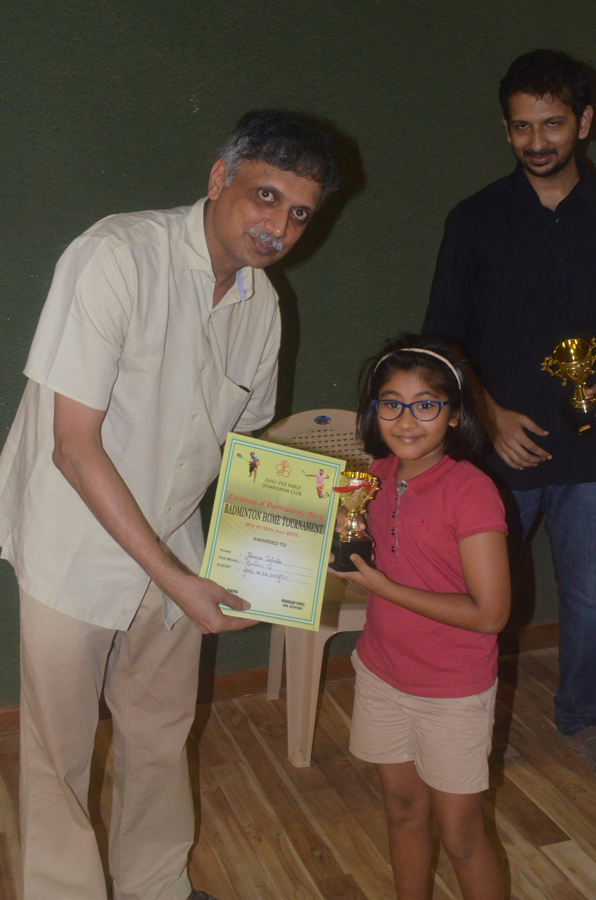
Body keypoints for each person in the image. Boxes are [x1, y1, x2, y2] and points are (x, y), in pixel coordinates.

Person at [0, 109, 339, 900]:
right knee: (59, 755)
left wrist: (290, 541)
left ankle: (157, 887)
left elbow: (247, 449)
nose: (279, 228)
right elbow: (73, 447)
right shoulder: (115, 256)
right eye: (265, 196)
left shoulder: (262, 307)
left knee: (160, 734)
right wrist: (178, 578)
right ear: (219, 179)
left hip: (176, 542)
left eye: (299, 214)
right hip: (71, 544)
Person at [423, 49, 596, 770]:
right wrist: (490, 415)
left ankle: (582, 718)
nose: (536, 141)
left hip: (591, 454)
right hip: (496, 454)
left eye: (551, 123)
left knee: (591, 599)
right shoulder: (475, 220)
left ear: (584, 121)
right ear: (505, 129)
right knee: (471, 598)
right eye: (521, 126)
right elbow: (441, 340)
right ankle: (453, 720)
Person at [331, 335, 510, 900]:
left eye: (426, 404)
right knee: (402, 810)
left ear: (454, 414)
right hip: (382, 674)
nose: (406, 420)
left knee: (461, 835)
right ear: (374, 410)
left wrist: (383, 587)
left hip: (452, 691)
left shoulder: (471, 491)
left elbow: (490, 614)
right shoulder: (371, 479)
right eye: (391, 403)